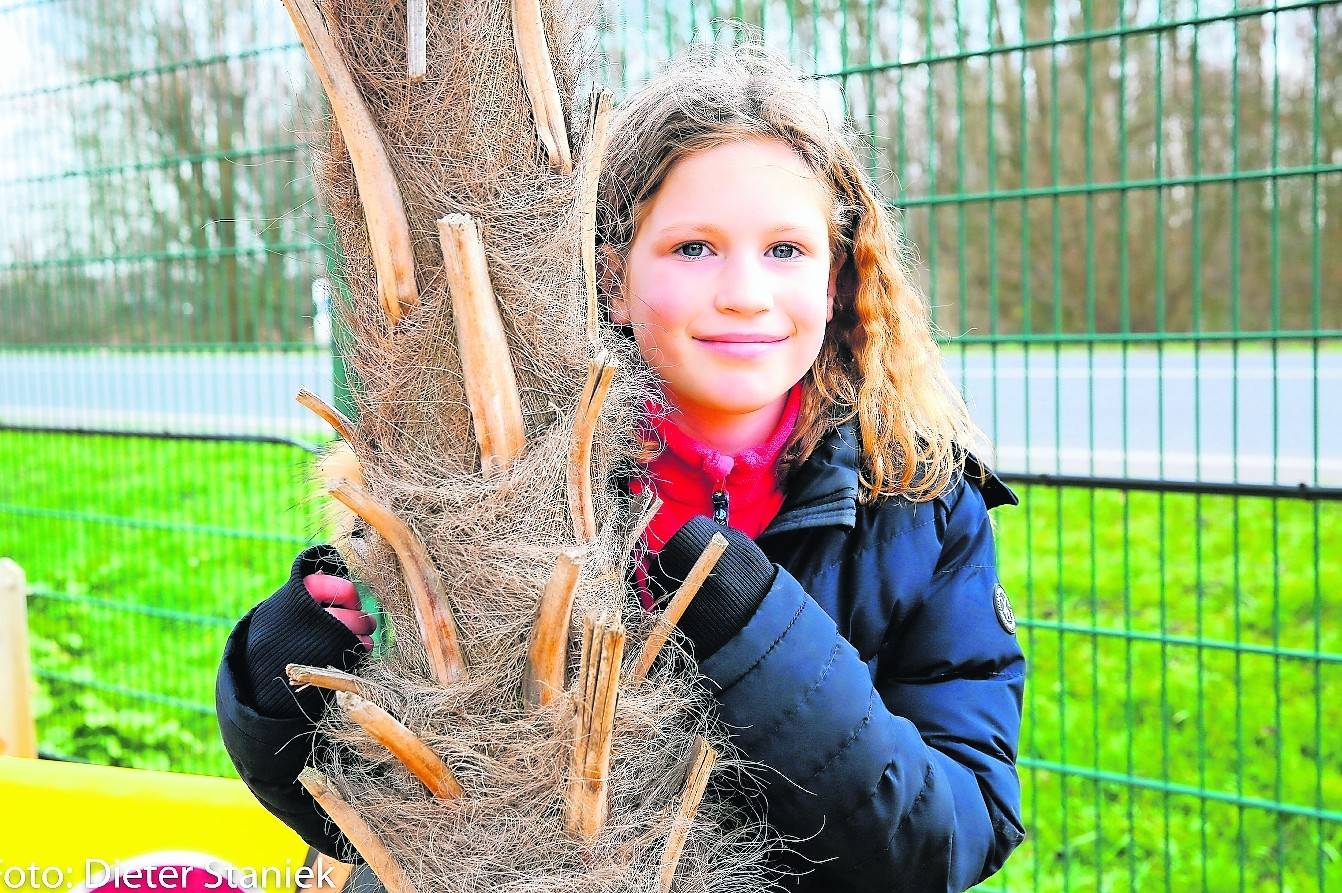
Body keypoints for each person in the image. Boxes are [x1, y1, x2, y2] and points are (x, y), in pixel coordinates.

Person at [217, 40, 1026, 893]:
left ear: (834, 284)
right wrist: (282, 686)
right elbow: (398, 827)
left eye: (785, 249)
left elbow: (951, 838)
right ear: (611, 280)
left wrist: (756, 631)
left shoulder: (922, 505)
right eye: (693, 248)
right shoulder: (495, 483)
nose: (745, 291)